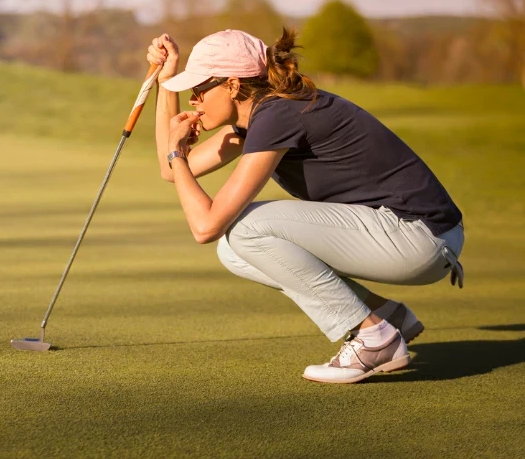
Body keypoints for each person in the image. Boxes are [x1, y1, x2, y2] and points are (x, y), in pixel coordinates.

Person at [146, 28, 464, 384]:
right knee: (233, 251)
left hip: (419, 237)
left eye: (199, 90)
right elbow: (170, 169)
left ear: (233, 86)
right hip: (409, 236)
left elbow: (205, 225)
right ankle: (385, 314)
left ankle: (374, 338)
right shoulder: (257, 119)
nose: (194, 100)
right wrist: (167, 79)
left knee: (245, 228)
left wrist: (178, 151)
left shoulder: (278, 115)